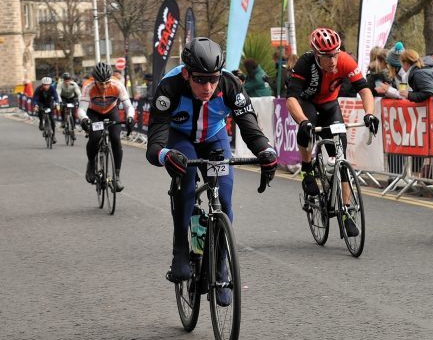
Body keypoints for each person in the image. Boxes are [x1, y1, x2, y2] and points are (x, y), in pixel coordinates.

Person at [146, 37, 277, 289]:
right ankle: (181, 250)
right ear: (186, 74)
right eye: (200, 79)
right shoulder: (169, 87)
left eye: (212, 79)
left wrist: (267, 151)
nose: (207, 87)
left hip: (213, 137)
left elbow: (250, 129)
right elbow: (154, 145)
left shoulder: (230, 85)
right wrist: (166, 155)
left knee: (225, 199)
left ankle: (220, 264)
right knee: (186, 179)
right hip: (180, 136)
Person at [286, 27, 379, 237]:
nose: (333, 60)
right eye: (327, 56)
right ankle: (307, 168)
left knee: (341, 159)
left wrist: (370, 114)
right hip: (307, 104)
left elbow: (364, 89)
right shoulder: (304, 63)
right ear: (317, 54)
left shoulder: (345, 61)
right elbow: (291, 98)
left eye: (335, 53)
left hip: (329, 106)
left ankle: (346, 212)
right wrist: (302, 121)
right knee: (306, 130)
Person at [78, 62, 135, 192]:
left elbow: (128, 106)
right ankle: (91, 163)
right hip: (94, 113)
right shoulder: (88, 86)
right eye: (100, 83)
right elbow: (81, 109)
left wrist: (130, 117)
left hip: (111, 111)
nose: (104, 86)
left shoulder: (117, 85)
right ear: (95, 81)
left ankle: (117, 176)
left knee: (115, 138)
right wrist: (85, 119)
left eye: (106, 83)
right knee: (95, 136)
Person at [32, 77, 60, 143]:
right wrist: (35, 105)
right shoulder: (38, 89)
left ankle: (53, 136)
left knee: (52, 120)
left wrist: (57, 104)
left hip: (49, 103)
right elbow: (35, 98)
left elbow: (56, 97)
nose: (46, 86)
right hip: (41, 102)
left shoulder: (52, 89)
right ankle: (41, 121)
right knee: (40, 110)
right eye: (44, 85)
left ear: (50, 84)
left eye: (47, 85)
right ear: (42, 84)